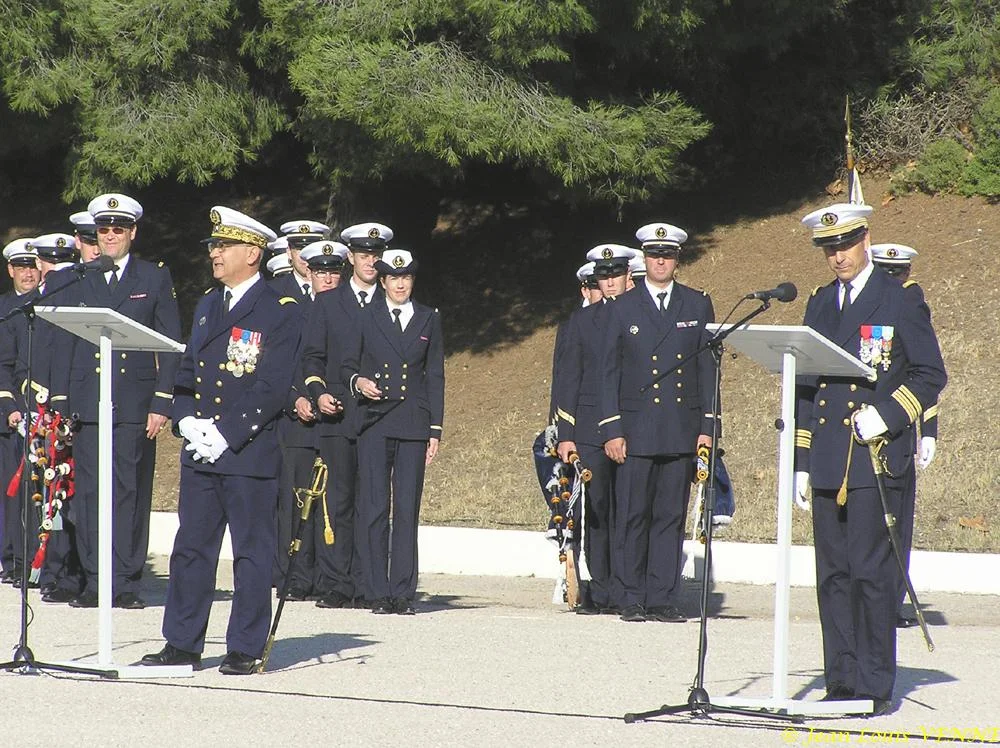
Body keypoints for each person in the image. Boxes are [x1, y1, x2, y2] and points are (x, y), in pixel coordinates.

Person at [794, 204, 946, 716]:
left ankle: (875, 682)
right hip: (830, 458)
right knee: (833, 573)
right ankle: (841, 678)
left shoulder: (898, 299)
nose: (838, 255)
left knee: (870, 573)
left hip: (876, 457)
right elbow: (805, 385)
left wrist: (888, 415)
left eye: (846, 244)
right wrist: (800, 458)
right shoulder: (819, 304)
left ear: (865, 240)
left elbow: (929, 375)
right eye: (829, 247)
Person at [142, 206, 300, 675]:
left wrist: (227, 433)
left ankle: (245, 647)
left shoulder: (279, 310)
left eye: (223, 246)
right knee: (191, 547)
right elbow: (190, 373)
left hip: (247, 452)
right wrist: (186, 420)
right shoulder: (210, 304)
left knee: (251, 552)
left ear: (252, 253)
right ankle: (183, 642)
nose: (215, 252)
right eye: (214, 245)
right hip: (202, 451)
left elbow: (272, 385)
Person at [51, 193, 182, 609]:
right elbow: (64, 342)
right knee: (88, 492)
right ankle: (94, 577)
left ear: (132, 233)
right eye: (103, 230)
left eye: (118, 230)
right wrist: (62, 400)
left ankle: (125, 579)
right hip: (88, 399)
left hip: (133, 402)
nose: (109, 237)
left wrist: (162, 401)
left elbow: (170, 342)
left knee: (129, 491)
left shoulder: (153, 277)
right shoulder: (77, 278)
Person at [599, 222, 718, 623]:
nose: (660, 261)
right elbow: (608, 374)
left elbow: (707, 368)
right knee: (633, 514)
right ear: (644, 260)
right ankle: (631, 595)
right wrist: (612, 429)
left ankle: (663, 596)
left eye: (667, 255)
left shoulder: (697, 305)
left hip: (681, 427)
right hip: (635, 429)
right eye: (653, 255)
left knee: (671, 515)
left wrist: (708, 425)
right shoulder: (621, 308)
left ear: (677, 260)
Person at [342, 248, 444, 615]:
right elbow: (347, 364)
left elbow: (434, 375)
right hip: (375, 421)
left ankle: (402, 591)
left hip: (414, 423)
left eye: (407, 278)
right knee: (373, 506)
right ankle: (375, 590)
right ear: (382, 281)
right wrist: (358, 382)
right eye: (393, 278)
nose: (400, 284)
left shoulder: (428, 318)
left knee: (406, 509)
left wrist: (435, 429)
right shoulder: (366, 317)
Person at [300, 223, 393, 610]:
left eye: (376, 254)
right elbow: (312, 356)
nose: (370, 260)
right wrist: (318, 393)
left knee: (372, 502)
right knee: (337, 500)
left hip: (377, 416)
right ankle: (339, 583)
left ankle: (370, 581)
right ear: (350, 257)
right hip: (336, 415)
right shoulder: (328, 302)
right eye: (363, 254)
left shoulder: (391, 301)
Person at [555, 244, 637, 614]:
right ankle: (602, 587)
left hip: (634, 425)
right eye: (602, 277)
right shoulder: (582, 322)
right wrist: (566, 433)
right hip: (588, 427)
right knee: (599, 508)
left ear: (628, 276)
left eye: (614, 275)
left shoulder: (642, 314)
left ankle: (628, 586)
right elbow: (568, 378)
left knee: (631, 507)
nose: (609, 283)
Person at [870, 242, 938, 629]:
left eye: (899, 273)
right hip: (860, 428)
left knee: (898, 525)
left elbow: (923, 373)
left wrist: (928, 429)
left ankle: (893, 602)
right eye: (887, 273)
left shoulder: (911, 305)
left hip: (896, 431)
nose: (894, 279)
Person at [0, 239, 41, 584]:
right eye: (21, 267)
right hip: (11, 413)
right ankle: (13, 558)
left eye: (33, 266)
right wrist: (11, 407)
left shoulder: (51, 306)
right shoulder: (4, 310)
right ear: (10, 270)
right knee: (12, 491)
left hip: (45, 412)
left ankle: (38, 561)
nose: (29, 273)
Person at [272, 220, 329, 300]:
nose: (304, 256)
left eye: (310, 250)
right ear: (289, 251)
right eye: (300, 249)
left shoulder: (333, 287)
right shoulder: (273, 290)